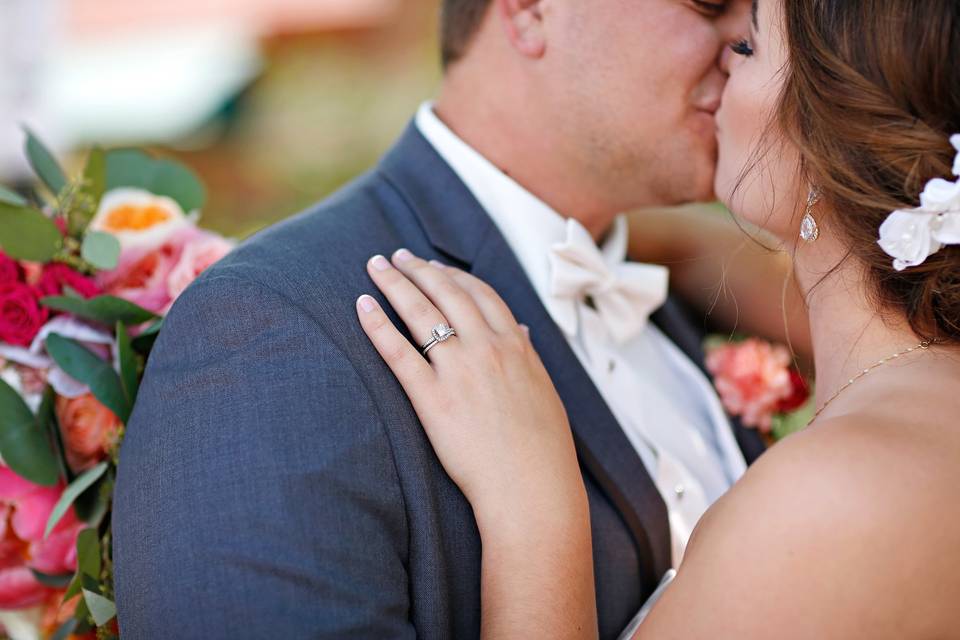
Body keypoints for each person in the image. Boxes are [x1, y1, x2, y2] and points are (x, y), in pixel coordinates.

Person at [112, 1, 775, 637]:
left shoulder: (676, 296)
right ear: (530, 9)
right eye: (707, 1)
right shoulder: (272, 331)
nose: (751, 38)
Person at [356, 0, 960, 637]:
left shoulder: (829, 498)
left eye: (750, 46)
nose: (725, 58)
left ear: (830, 133)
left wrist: (534, 513)